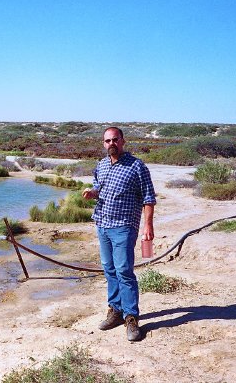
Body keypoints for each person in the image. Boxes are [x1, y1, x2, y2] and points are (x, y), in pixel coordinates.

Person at [82, 126, 156, 342]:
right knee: (109, 269)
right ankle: (115, 311)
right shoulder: (102, 164)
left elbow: (149, 198)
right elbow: (99, 186)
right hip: (102, 224)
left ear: (123, 141)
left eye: (115, 140)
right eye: (107, 141)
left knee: (124, 270)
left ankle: (131, 318)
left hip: (124, 226)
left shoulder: (136, 166)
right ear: (103, 143)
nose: (111, 144)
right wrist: (93, 192)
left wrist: (148, 226)